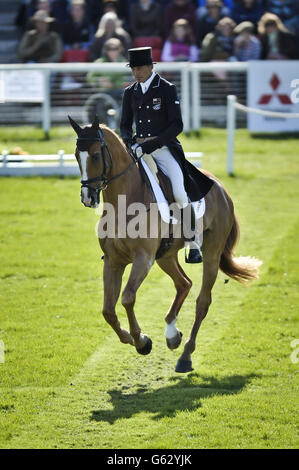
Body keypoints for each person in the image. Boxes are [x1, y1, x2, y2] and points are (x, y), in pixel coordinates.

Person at [120, 47, 214, 263]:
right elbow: (125, 125)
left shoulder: (166, 89)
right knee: (122, 188)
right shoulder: (129, 92)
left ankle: (193, 242)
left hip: (163, 149)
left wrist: (151, 145)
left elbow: (176, 125)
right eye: (133, 68)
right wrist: (128, 142)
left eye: (140, 67)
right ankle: (117, 243)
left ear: (151, 67)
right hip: (138, 151)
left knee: (180, 193)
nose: (137, 72)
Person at [87, 38, 130, 102]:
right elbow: (89, 77)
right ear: (106, 50)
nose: (112, 51)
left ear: (120, 49)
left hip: (119, 93)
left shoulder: (124, 62)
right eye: (109, 49)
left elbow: (127, 79)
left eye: (115, 48)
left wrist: (113, 84)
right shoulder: (99, 62)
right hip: (103, 92)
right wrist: (99, 81)